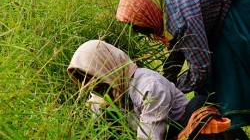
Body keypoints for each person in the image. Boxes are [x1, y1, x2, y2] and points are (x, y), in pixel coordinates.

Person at [116, 0, 250, 137]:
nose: (145, 34)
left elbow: (201, 68)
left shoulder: (185, 14)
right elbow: (181, 43)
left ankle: (232, 118)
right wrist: (168, 74)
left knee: (228, 51)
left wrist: (169, 89)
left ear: (151, 13)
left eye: (143, 27)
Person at [67, 40, 231, 140]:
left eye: (93, 77)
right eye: (85, 80)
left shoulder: (149, 86)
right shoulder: (101, 96)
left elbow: (150, 136)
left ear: (108, 68)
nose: (91, 86)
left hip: (180, 132)